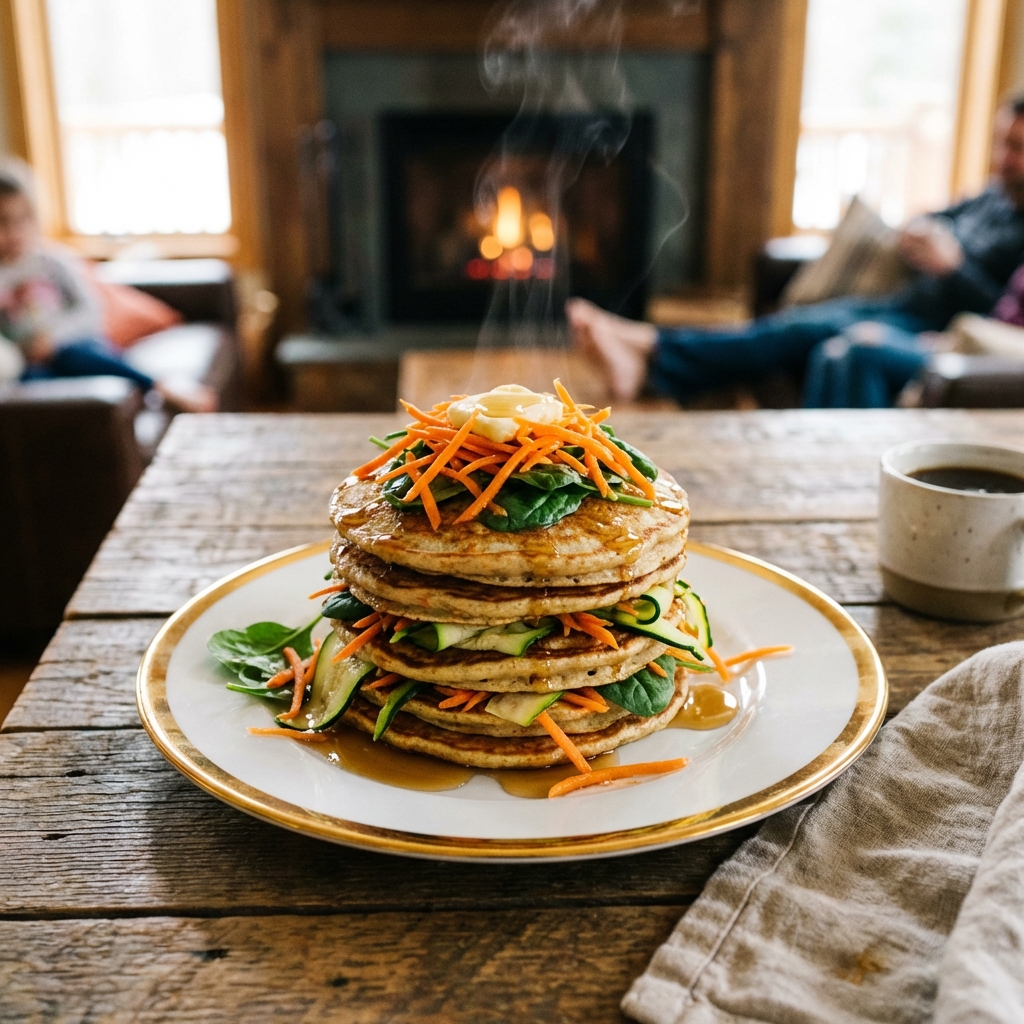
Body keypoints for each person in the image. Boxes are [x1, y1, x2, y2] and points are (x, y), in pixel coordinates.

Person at [568, 96, 1024, 407]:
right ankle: (650, 359)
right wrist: (922, 232)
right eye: (1002, 143)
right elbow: (935, 217)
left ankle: (650, 349)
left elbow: (1003, 321)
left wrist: (954, 266)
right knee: (795, 330)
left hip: (937, 325)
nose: (1004, 158)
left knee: (801, 333)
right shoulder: (994, 197)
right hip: (904, 305)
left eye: (1017, 148)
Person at [0, 162, 216, 412]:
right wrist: (25, 349)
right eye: (3, 222)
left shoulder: (53, 262)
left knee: (74, 357)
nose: (14, 231)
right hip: (31, 361)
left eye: (22, 219)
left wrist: (53, 340)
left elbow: (91, 311)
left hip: (78, 345)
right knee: (33, 385)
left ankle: (158, 385)